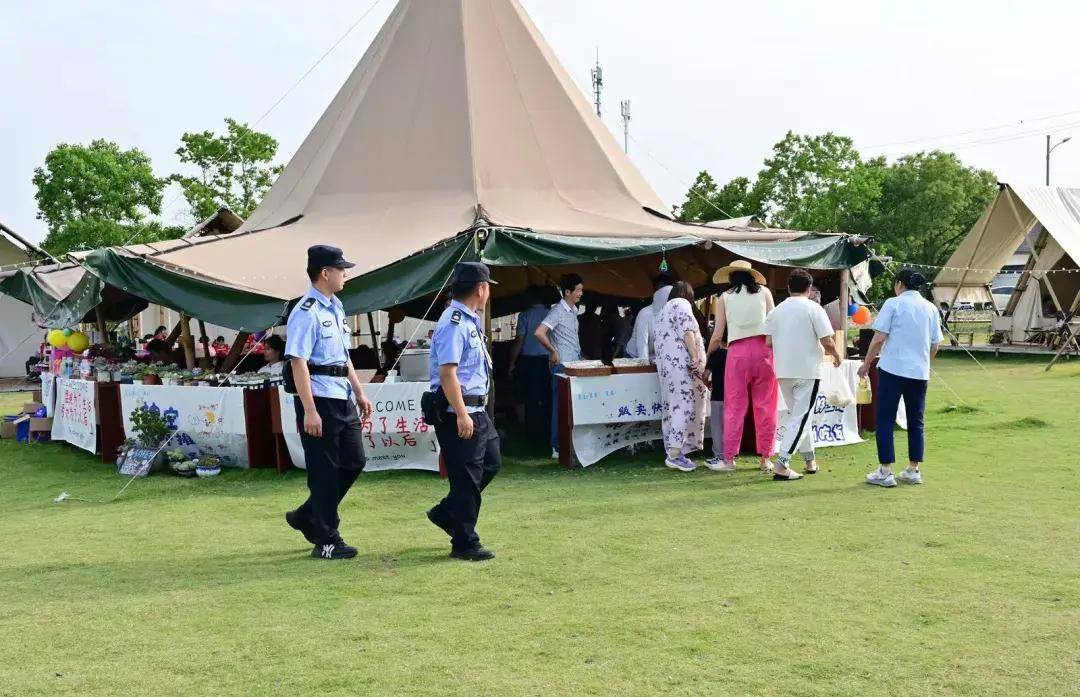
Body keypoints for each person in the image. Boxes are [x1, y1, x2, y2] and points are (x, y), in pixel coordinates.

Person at [283, 245, 374, 560]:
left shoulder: (335, 307)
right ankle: (326, 539)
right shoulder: (306, 311)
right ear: (325, 273)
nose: (345, 274)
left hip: (342, 395)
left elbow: (343, 356)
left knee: (354, 461)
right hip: (319, 398)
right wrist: (309, 410)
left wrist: (359, 391)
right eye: (341, 269)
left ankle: (308, 514)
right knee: (324, 470)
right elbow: (298, 362)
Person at [427, 262, 502, 561]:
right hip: (460, 410)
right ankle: (464, 541)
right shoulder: (454, 322)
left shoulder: (468, 319)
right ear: (481, 289)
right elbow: (448, 373)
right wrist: (460, 413)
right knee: (467, 478)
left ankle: (448, 513)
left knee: (490, 464)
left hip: (477, 408)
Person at [858, 269, 942, 488]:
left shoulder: (893, 304)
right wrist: (925, 363)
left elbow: (879, 338)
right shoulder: (930, 308)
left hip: (893, 369)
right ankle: (913, 468)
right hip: (919, 372)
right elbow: (935, 344)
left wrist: (866, 363)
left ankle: (886, 470)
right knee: (916, 420)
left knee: (885, 418)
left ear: (899, 284)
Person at [764, 269, 843, 481]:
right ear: (809, 289)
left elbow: (769, 342)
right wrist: (836, 355)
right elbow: (827, 340)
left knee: (798, 416)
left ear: (788, 287)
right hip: (807, 370)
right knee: (801, 417)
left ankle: (809, 460)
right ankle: (782, 463)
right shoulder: (814, 309)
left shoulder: (777, 310)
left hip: (783, 370)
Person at [709, 260, 778, 472]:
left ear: (731, 277)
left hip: (736, 353)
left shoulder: (724, 297)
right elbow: (774, 323)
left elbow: (717, 334)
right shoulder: (764, 292)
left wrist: (708, 356)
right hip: (763, 351)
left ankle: (729, 459)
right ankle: (766, 459)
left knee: (734, 407)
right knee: (766, 406)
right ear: (752, 276)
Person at [651, 282, 710, 471]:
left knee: (672, 406)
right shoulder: (682, 304)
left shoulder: (663, 312)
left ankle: (674, 450)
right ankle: (675, 453)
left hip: (667, 368)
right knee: (683, 406)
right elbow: (687, 332)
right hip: (681, 367)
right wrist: (695, 356)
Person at [535, 273, 584, 458]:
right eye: (578, 290)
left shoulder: (573, 310)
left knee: (570, 406)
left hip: (573, 364)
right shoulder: (557, 311)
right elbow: (539, 333)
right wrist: (552, 351)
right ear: (567, 292)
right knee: (560, 406)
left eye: (581, 290)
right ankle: (557, 446)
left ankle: (567, 443)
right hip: (562, 365)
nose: (581, 293)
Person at [508, 286, 552, 441]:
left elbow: (519, 341)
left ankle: (525, 427)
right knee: (546, 394)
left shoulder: (525, 315)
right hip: (547, 359)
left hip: (528, 359)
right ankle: (546, 426)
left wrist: (512, 363)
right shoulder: (550, 314)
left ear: (529, 298)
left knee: (525, 395)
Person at [627, 273, 674, 361]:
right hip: (634, 356)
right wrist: (645, 366)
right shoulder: (645, 313)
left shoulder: (670, 313)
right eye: (660, 289)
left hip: (653, 358)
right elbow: (642, 344)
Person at [704, 332, 727, 469]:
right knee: (730, 426)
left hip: (717, 395)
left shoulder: (715, 354)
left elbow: (705, 375)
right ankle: (731, 453)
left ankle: (719, 455)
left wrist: (708, 383)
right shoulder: (736, 355)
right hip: (734, 397)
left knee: (717, 427)